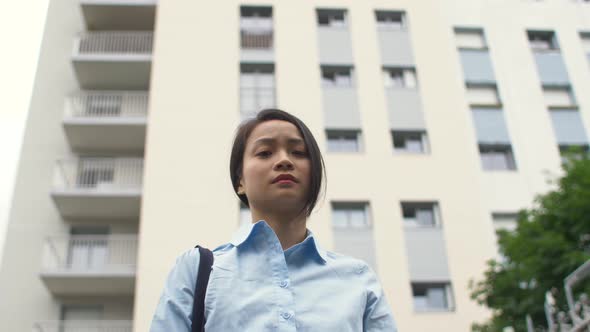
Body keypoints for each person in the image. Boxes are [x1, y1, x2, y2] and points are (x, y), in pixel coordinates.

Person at [150, 109, 397, 331]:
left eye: (298, 152)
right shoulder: (198, 269)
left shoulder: (358, 279)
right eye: (265, 152)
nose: (284, 161)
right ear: (240, 182)